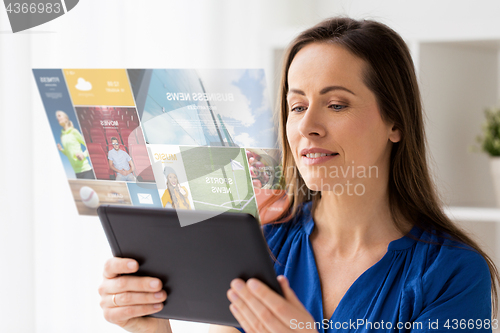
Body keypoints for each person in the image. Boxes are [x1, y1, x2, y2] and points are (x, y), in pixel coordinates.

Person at [98, 17, 500, 333]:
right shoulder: (263, 242)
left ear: (395, 121)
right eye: (296, 106)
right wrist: (152, 328)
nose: (308, 126)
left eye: (337, 104)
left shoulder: (454, 273)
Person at [55, 110, 94, 179]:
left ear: (66, 119)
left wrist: (83, 155)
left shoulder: (74, 132)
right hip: (76, 172)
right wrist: (61, 150)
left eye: (59, 116)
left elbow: (90, 146)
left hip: (86, 170)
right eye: (56, 117)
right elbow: (68, 152)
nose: (57, 118)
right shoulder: (62, 136)